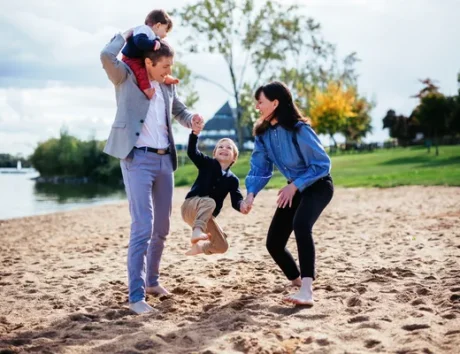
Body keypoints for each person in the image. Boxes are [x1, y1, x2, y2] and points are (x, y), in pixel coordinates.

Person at [100, 28, 204, 314]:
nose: (170, 71)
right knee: (142, 227)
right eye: (165, 66)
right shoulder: (126, 77)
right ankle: (136, 297)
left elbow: (179, 110)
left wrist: (192, 119)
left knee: (162, 228)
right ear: (149, 63)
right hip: (137, 160)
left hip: (164, 161)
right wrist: (126, 34)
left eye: (171, 65)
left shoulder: (167, 85)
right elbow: (105, 55)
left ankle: (152, 281)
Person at [244, 81, 333, 306]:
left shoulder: (300, 129)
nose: (257, 107)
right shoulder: (263, 134)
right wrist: (251, 193)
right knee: (274, 243)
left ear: (275, 103)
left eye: (260, 102)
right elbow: (260, 168)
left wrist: (295, 186)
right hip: (294, 188)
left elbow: (323, 164)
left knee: (302, 225)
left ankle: (307, 289)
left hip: (318, 185)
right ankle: (297, 280)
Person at [181, 124, 248, 256]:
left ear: (234, 157)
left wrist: (242, 206)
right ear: (214, 153)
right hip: (190, 207)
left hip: (205, 217)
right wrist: (194, 134)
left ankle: (198, 248)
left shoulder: (233, 179)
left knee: (222, 245)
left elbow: (236, 199)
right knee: (210, 202)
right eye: (220, 147)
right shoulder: (207, 163)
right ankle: (197, 231)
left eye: (229, 147)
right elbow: (192, 152)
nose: (224, 148)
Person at [121, 9, 179, 99]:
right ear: (158, 25)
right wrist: (154, 44)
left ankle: (165, 77)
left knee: (154, 68)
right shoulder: (144, 29)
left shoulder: (152, 35)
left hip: (139, 57)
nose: (165, 35)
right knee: (141, 71)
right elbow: (139, 41)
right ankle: (146, 89)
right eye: (166, 30)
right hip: (130, 58)